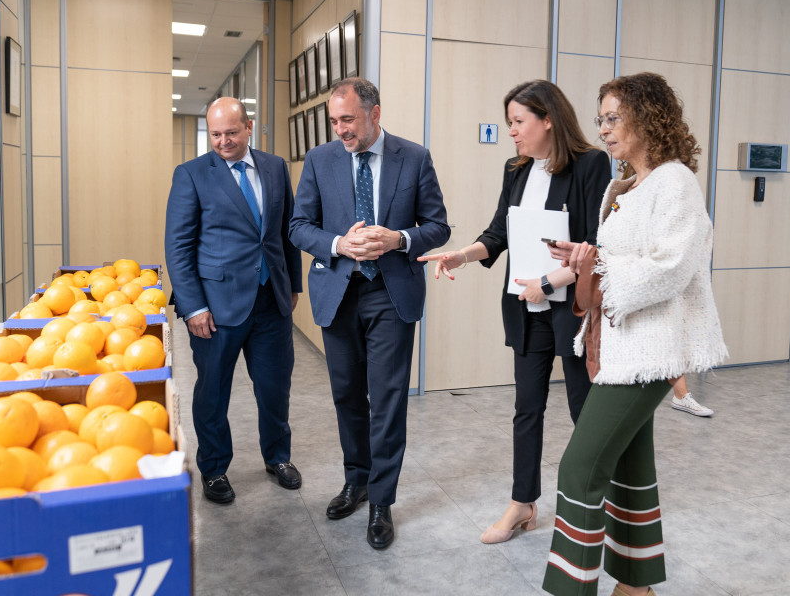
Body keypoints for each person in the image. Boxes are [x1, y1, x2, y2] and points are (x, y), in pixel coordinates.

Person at [542, 72, 727, 596]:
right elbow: (624, 259)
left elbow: (672, 266)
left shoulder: (675, 183)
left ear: (649, 118)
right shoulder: (624, 184)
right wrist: (587, 257)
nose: (602, 129)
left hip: (651, 348)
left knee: (579, 469)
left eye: (612, 117)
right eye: (600, 118)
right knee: (629, 463)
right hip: (624, 346)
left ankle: (570, 589)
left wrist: (599, 267)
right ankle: (636, 586)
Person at [418, 80, 610, 544]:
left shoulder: (590, 164)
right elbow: (499, 230)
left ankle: (596, 503)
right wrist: (459, 255)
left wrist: (547, 282)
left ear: (549, 120)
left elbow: (595, 246)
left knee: (585, 409)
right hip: (527, 308)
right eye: (510, 123)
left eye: (518, 122)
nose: (512, 133)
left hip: (573, 307)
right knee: (527, 409)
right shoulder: (517, 167)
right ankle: (523, 503)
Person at [289, 78, 450, 549]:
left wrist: (398, 239)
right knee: (346, 395)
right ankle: (356, 481)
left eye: (349, 120)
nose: (340, 130)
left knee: (388, 398)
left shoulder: (414, 157)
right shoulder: (320, 161)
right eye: (334, 121)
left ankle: (382, 500)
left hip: (391, 293)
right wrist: (339, 244)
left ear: (375, 114)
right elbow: (300, 227)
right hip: (337, 291)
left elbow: (437, 225)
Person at [165, 97, 303, 504]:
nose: (223, 141)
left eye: (230, 132)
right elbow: (178, 246)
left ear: (249, 127)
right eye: (215, 134)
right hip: (215, 308)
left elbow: (285, 232)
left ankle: (277, 457)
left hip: (270, 301)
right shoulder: (191, 175)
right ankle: (214, 469)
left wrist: (292, 283)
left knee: (275, 388)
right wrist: (192, 306)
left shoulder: (275, 167)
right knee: (212, 392)